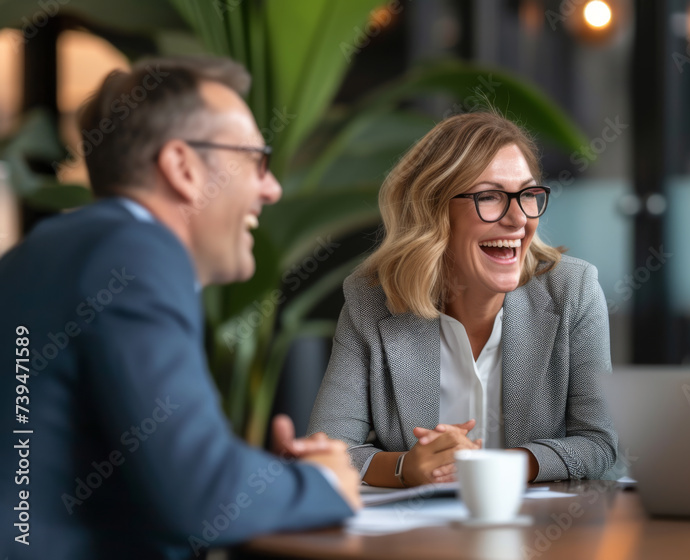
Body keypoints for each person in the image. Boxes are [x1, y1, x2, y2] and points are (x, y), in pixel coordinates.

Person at [0, 56, 359, 560]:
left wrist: (261, 480)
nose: (272, 188)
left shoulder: (39, 253)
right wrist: (320, 483)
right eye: (256, 159)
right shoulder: (136, 256)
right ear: (183, 168)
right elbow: (199, 493)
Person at [308, 111, 618, 487]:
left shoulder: (573, 289)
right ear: (433, 209)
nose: (518, 219)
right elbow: (327, 452)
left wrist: (491, 468)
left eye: (527, 195)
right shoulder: (370, 301)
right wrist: (407, 467)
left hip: (540, 537)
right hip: (414, 539)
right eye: (489, 197)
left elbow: (598, 445)